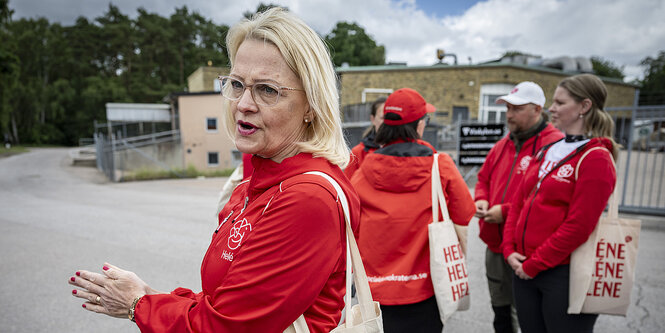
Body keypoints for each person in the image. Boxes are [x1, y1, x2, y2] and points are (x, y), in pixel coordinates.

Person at [68, 7, 361, 332]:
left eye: (267, 89)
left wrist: (138, 306)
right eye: (237, 84)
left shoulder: (308, 199)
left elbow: (226, 327)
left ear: (311, 104)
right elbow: (225, 300)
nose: (243, 104)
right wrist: (149, 297)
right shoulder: (257, 184)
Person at [350, 88, 476, 332]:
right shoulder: (440, 165)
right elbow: (465, 213)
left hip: (375, 292)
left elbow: (350, 223)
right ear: (419, 126)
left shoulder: (362, 171)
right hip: (427, 287)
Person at [502, 74, 618, 332]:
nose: (551, 108)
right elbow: (518, 203)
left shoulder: (596, 157)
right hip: (524, 270)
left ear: (584, 107)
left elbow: (579, 226)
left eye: (559, 103)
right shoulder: (548, 149)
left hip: (563, 275)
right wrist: (509, 249)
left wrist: (534, 265)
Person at [474, 81, 564, 333]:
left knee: (527, 317)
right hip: (495, 243)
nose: (509, 115)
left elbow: (547, 196)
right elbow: (483, 178)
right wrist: (480, 199)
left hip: (527, 249)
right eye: (507, 109)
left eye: (516, 108)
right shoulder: (504, 144)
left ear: (537, 109)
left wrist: (503, 211)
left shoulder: (554, 145)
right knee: (501, 312)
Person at [344, 96, 386, 179]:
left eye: (390, 117)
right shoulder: (358, 153)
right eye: (382, 118)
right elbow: (349, 186)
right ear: (373, 119)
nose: (386, 122)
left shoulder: (403, 150)